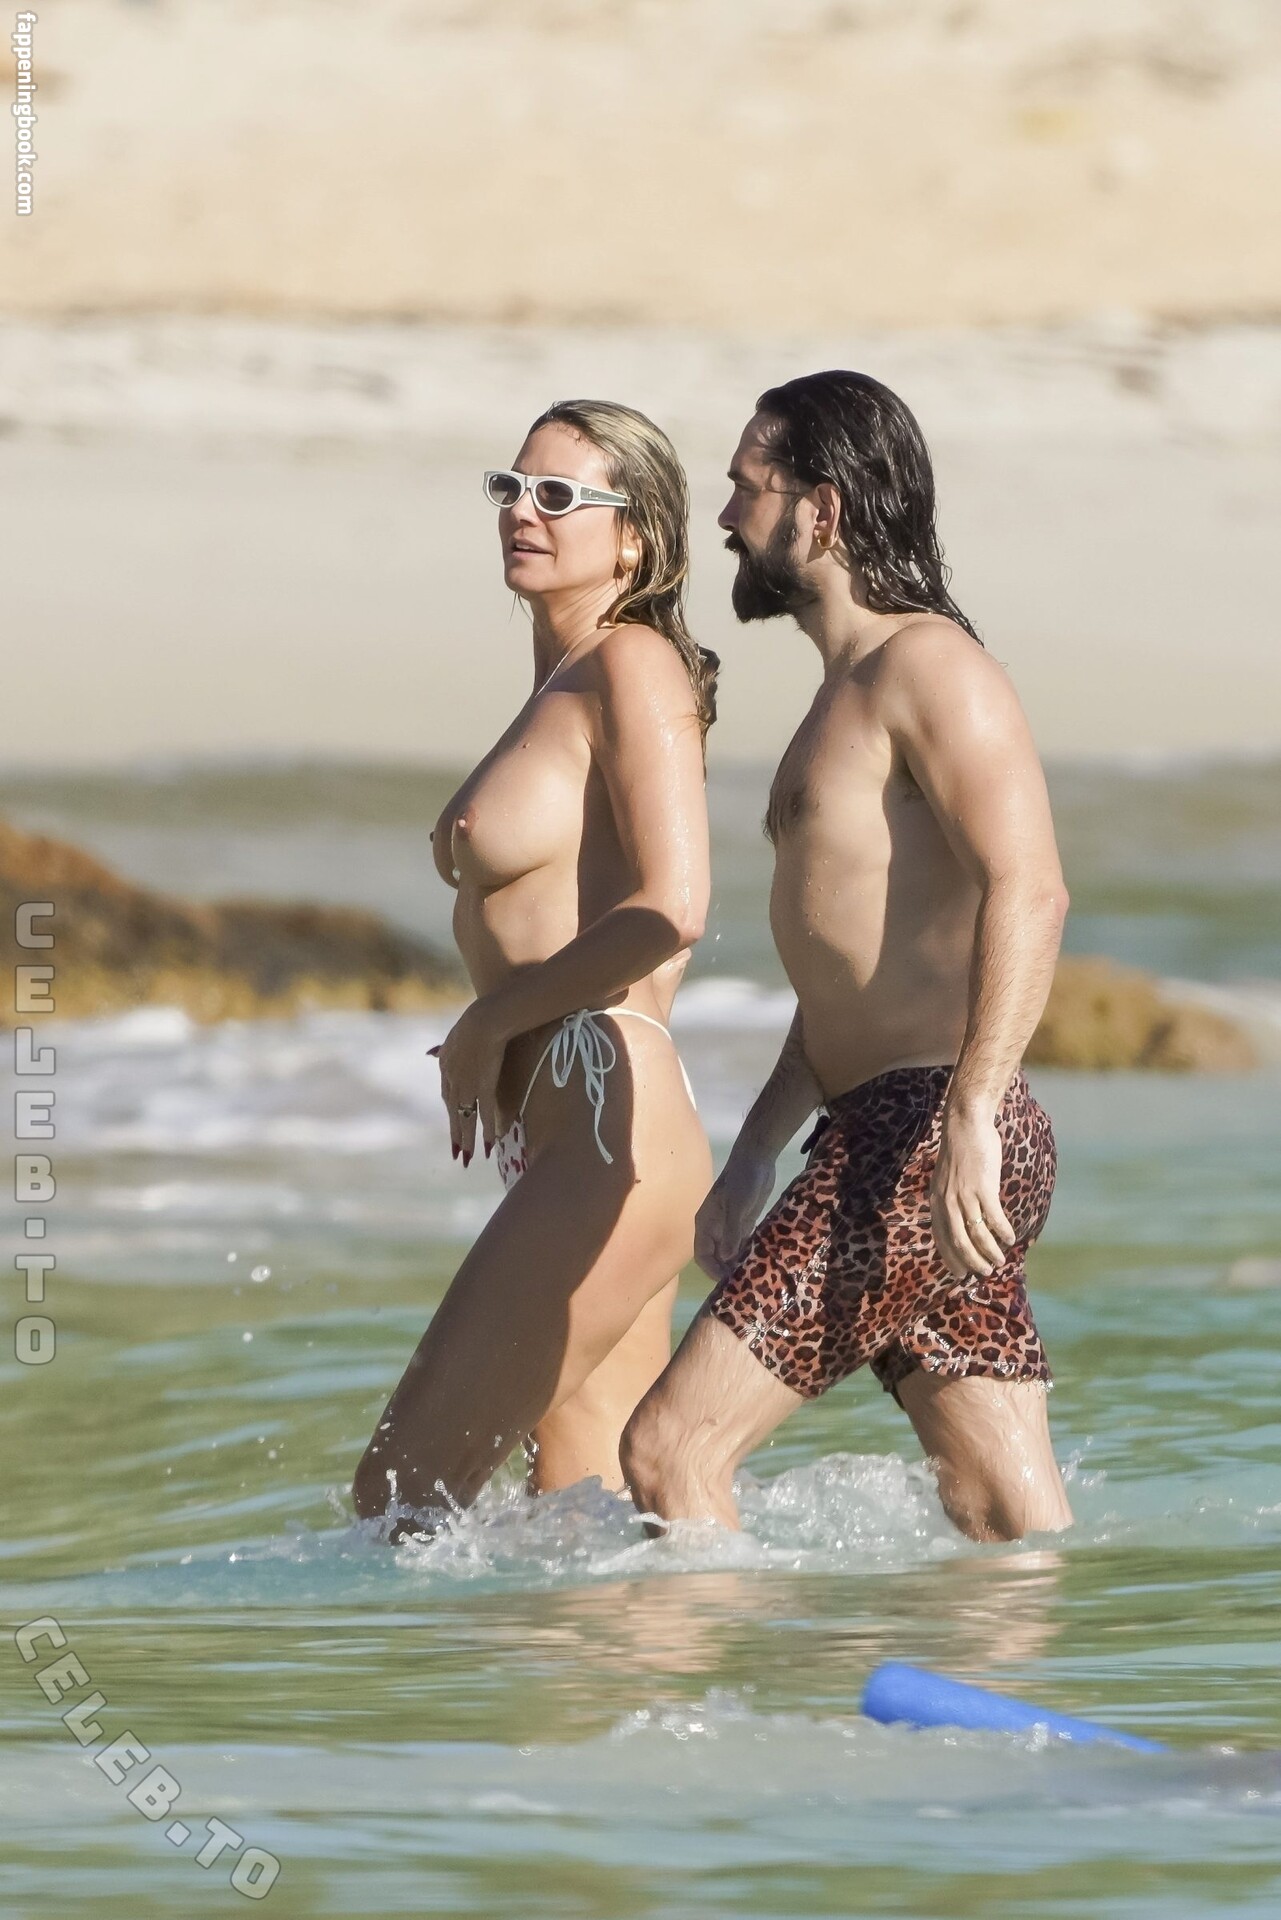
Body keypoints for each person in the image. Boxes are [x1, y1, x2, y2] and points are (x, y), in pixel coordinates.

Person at [620, 370, 1074, 1544]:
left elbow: (1033, 888)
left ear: (820, 511)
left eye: (746, 487)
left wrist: (972, 1112)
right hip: (895, 1126)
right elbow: (845, 980)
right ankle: (1040, 1671)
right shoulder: (844, 694)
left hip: (925, 1137)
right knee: (1002, 1513)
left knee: (669, 1452)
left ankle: (706, 1673)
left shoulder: (931, 668)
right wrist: (754, 1151)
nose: (727, 516)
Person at [353, 400, 716, 1540]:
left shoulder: (632, 666)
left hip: (612, 1134)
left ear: (633, 537)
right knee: (587, 1534)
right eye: (510, 488)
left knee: (399, 1500)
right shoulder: (557, 687)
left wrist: (488, 1024)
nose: (524, 512)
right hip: (566, 1142)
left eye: (559, 496)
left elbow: (674, 905)